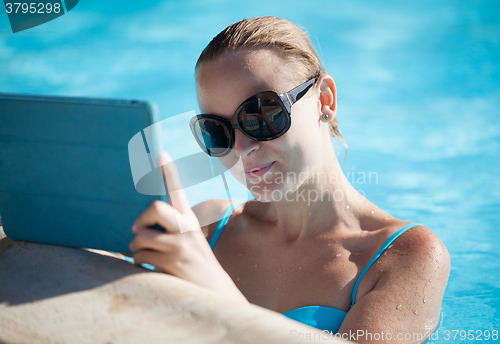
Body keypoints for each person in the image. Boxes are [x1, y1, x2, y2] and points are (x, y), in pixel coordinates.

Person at [128, 16, 450, 342]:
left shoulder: (406, 256)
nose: (242, 148)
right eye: (217, 130)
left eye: (261, 115)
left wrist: (214, 285)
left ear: (325, 100)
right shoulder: (205, 228)